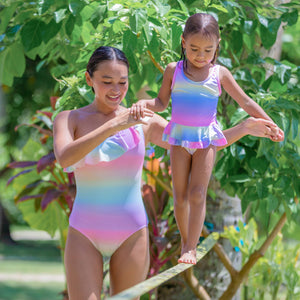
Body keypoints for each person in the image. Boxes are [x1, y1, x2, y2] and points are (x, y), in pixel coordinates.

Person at [53, 46, 283, 300]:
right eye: (107, 82)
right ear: (89, 79)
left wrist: (244, 127)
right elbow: (65, 157)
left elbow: (197, 142)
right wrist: (115, 124)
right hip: (84, 232)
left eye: (122, 82)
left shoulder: (145, 121)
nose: (116, 90)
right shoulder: (69, 119)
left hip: (130, 232)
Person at [130, 13, 284, 265]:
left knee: (198, 193)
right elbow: (160, 103)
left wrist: (270, 123)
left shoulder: (219, 74)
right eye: (193, 49)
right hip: (179, 139)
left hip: (205, 141)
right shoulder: (174, 70)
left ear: (217, 46)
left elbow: (245, 101)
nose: (200, 55)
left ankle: (191, 247)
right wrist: (141, 103)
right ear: (182, 42)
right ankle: (184, 240)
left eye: (208, 50)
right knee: (179, 196)